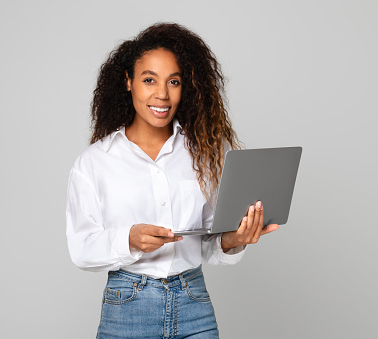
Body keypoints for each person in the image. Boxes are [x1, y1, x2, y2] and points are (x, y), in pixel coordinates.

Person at [66, 22, 279, 338]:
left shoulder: (205, 151)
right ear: (128, 82)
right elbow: (81, 248)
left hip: (193, 302)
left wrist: (234, 239)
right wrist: (130, 239)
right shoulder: (95, 162)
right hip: (128, 308)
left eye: (174, 81)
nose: (162, 94)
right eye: (149, 80)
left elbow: (207, 241)